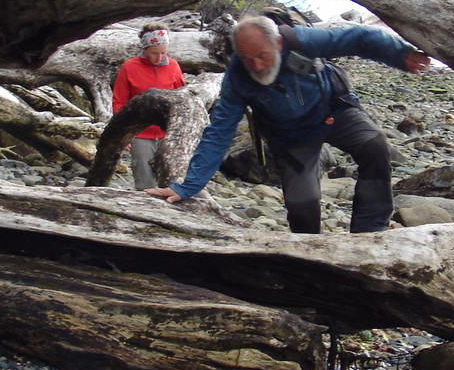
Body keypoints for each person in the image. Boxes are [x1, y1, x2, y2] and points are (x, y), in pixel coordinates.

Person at [146, 15, 431, 232]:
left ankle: (370, 232)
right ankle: (308, 257)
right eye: (248, 59)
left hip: (334, 110)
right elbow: (218, 132)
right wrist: (188, 187)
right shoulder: (238, 77)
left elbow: (359, 38)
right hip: (291, 136)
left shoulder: (301, 40)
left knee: (374, 145)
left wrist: (400, 55)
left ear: (278, 44)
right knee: (301, 204)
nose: (256, 66)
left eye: (263, 56)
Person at [112, 22, 185, 189]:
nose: (160, 58)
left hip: (168, 133)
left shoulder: (173, 66)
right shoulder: (129, 67)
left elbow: (182, 99)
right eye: (155, 53)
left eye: (163, 53)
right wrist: (123, 134)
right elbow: (119, 101)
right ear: (145, 48)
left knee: (173, 182)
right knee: (145, 183)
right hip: (140, 134)